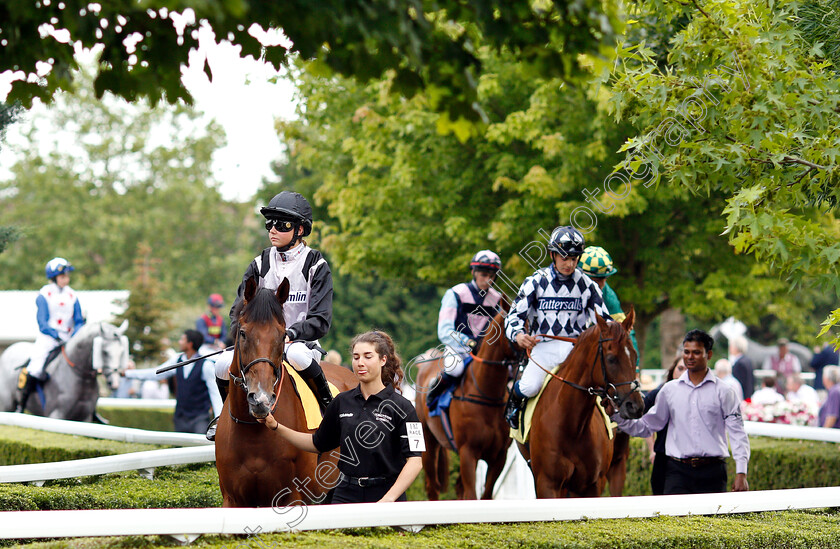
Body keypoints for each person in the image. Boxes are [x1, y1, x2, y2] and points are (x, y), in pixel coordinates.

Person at [208, 191, 334, 440]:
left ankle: (328, 407)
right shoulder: (259, 263)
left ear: (299, 230)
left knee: (297, 355)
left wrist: (292, 333)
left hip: (298, 342)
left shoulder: (316, 265)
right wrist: (241, 337)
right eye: (270, 224)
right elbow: (238, 309)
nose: (273, 229)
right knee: (221, 364)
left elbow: (320, 319)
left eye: (281, 224)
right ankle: (224, 415)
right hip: (259, 343)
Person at [259, 331, 424, 503]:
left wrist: (388, 499)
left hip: (388, 496)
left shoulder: (404, 407)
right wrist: (276, 426)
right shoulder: (341, 401)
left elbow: (415, 461)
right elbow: (317, 443)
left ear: (383, 360)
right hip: (345, 495)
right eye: (356, 357)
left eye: (368, 357)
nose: (360, 363)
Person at [612, 329, 750, 494]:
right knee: (675, 519)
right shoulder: (669, 390)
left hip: (713, 472)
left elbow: (738, 433)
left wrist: (741, 473)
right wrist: (614, 415)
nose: (690, 357)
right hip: (677, 472)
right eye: (687, 352)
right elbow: (647, 426)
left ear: (709, 354)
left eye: (697, 352)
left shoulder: (724, 391)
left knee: (713, 520)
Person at [503, 226, 612, 429]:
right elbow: (512, 318)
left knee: (600, 385)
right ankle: (514, 404)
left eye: (574, 258)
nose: (569, 264)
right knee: (530, 386)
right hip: (543, 348)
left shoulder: (588, 285)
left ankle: (609, 425)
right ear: (553, 255)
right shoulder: (535, 281)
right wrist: (518, 335)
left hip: (575, 350)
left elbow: (605, 322)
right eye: (564, 258)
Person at [425, 250, 504, 408]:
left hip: (484, 351)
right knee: (455, 369)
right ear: (474, 272)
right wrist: (468, 343)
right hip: (458, 348)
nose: (487, 279)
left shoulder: (497, 298)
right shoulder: (455, 293)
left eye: (491, 275)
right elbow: (444, 330)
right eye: (483, 274)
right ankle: (433, 394)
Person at [16, 257, 86, 413]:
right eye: (63, 276)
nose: (66, 279)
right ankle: (22, 404)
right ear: (54, 278)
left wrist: (75, 334)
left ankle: (89, 409)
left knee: (86, 364)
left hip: (69, 339)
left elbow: (79, 320)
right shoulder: (44, 294)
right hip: (48, 338)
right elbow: (42, 323)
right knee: (35, 367)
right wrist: (56, 335)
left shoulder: (72, 295)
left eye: (67, 276)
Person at [124, 329, 222, 433]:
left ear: (190, 344)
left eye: (182, 339)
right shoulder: (176, 360)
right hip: (180, 417)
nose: (179, 342)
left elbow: (215, 393)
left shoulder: (206, 365)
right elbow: (156, 373)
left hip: (199, 418)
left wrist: (219, 419)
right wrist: (128, 373)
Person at [578, 246, 639, 357]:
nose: (601, 284)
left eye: (604, 279)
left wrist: (636, 368)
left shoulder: (609, 296)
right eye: (596, 280)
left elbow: (626, 331)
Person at [643, 355, 687, 495]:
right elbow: (645, 422)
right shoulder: (658, 393)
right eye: (680, 368)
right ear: (673, 370)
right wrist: (652, 450)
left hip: (688, 459)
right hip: (663, 456)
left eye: (687, 369)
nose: (683, 373)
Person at [729, 335, 754, 400]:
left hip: (741, 397)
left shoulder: (739, 363)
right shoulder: (747, 360)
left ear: (736, 348)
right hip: (748, 395)